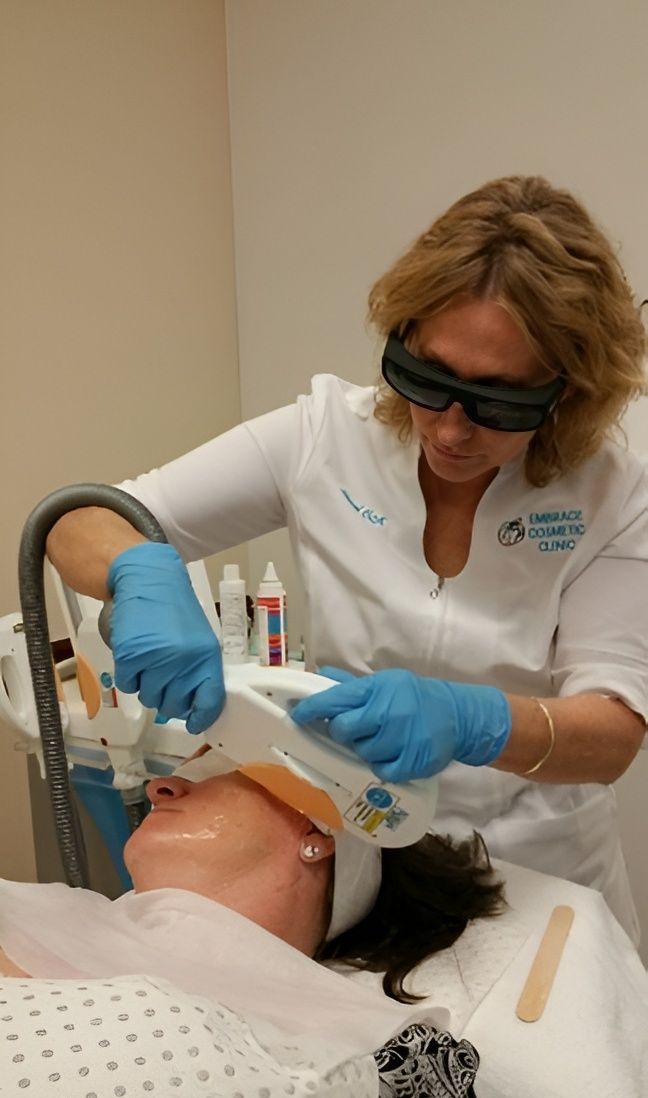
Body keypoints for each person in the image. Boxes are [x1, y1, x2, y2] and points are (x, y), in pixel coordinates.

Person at [46, 174, 648, 943]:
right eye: (425, 379)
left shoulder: (613, 494)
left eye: (500, 402)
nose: (450, 430)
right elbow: (80, 519)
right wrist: (138, 572)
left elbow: (612, 734)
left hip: (542, 873)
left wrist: (478, 722)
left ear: (569, 392)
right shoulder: (323, 439)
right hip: (366, 858)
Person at [0, 757, 503, 1098]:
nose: (160, 787)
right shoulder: (34, 912)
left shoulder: (395, 1067)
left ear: (319, 834)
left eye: (223, 769)